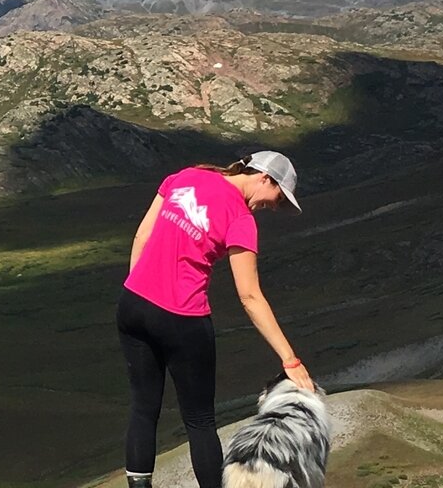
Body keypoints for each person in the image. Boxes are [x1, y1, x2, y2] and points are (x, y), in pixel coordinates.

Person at [117, 151, 314, 488]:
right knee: (200, 422)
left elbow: (141, 237)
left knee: (143, 407)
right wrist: (290, 359)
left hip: (133, 305)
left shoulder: (187, 175)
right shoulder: (240, 218)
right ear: (265, 178)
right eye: (276, 199)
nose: (271, 207)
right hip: (182, 318)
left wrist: (142, 291)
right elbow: (250, 296)